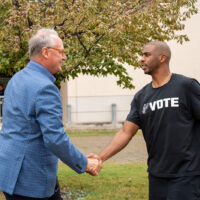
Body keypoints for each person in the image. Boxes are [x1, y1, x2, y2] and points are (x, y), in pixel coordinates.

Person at [0, 28, 102, 200]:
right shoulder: (45, 88)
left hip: (10, 174)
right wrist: (84, 163)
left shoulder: (17, 79)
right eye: (61, 52)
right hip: (31, 181)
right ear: (46, 52)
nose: (64, 57)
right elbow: (55, 138)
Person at [94, 41, 200, 199]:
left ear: (163, 57)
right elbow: (125, 132)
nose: (141, 59)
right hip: (156, 177)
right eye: (142, 55)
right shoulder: (141, 97)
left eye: (147, 54)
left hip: (187, 176)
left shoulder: (186, 86)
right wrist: (100, 158)